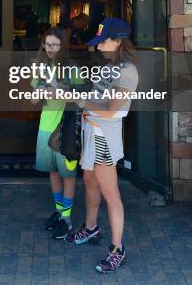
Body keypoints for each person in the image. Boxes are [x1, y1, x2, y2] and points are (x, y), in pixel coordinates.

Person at [66, 18, 139, 274]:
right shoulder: (110, 66)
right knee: (89, 182)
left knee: (111, 195)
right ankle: (91, 228)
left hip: (104, 139)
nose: (98, 47)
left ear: (118, 41)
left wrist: (77, 100)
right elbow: (98, 98)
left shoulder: (127, 71)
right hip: (91, 133)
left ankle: (117, 250)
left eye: (103, 41)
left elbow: (111, 111)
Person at [32, 26, 80, 240]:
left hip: (66, 129)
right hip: (45, 126)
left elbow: (81, 99)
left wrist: (58, 90)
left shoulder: (72, 68)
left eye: (55, 45)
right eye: (47, 44)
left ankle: (67, 218)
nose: (50, 49)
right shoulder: (40, 67)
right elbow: (33, 98)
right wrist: (39, 93)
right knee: (52, 172)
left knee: (68, 175)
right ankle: (60, 211)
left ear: (63, 46)